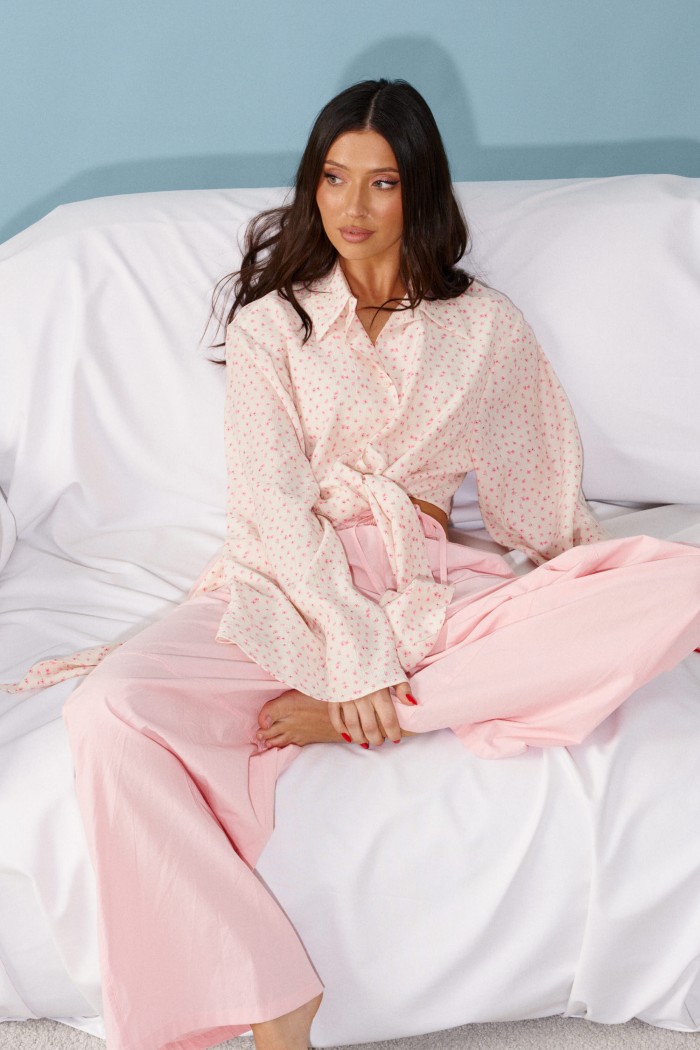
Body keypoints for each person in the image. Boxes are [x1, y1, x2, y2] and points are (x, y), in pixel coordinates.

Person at [43, 77, 699, 1050]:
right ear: (311, 185)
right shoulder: (273, 324)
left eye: (382, 182)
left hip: (429, 581)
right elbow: (272, 504)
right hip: (287, 579)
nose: (352, 206)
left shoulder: (484, 326)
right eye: (333, 177)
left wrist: (602, 604)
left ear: (418, 189)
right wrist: (353, 661)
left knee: (681, 578)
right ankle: (272, 996)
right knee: (108, 712)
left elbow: (538, 493)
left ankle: (405, 709)